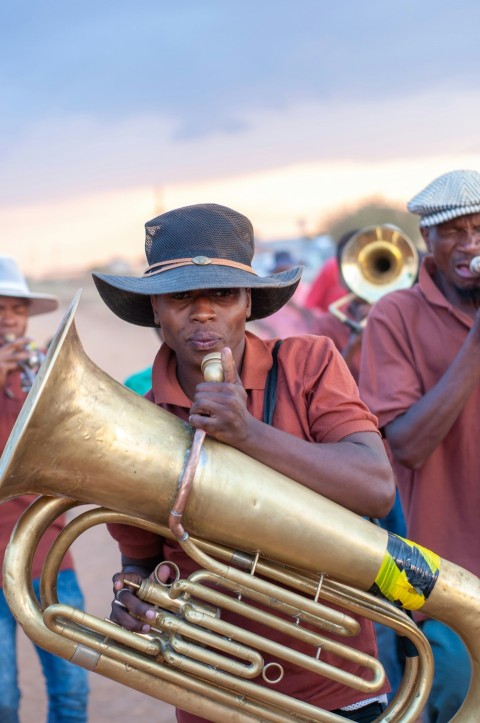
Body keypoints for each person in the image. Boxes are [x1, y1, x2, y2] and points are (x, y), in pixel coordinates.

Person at [92, 203, 395, 722]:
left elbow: (375, 488)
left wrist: (249, 434)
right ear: (155, 311)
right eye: (181, 296)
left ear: (248, 304)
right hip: (214, 698)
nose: (203, 312)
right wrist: (134, 598)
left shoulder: (310, 362)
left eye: (223, 295)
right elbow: (140, 564)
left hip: (338, 688)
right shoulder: (135, 425)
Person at [358, 169, 480, 723]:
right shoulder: (394, 316)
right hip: (435, 578)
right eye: (455, 231)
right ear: (427, 240)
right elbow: (405, 445)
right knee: (449, 705)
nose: (472, 245)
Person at [0, 256, 89, 722]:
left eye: (14, 309)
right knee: (2, 700)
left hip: (49, 555)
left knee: (71, 691)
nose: (6, 319)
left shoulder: (38, 370)